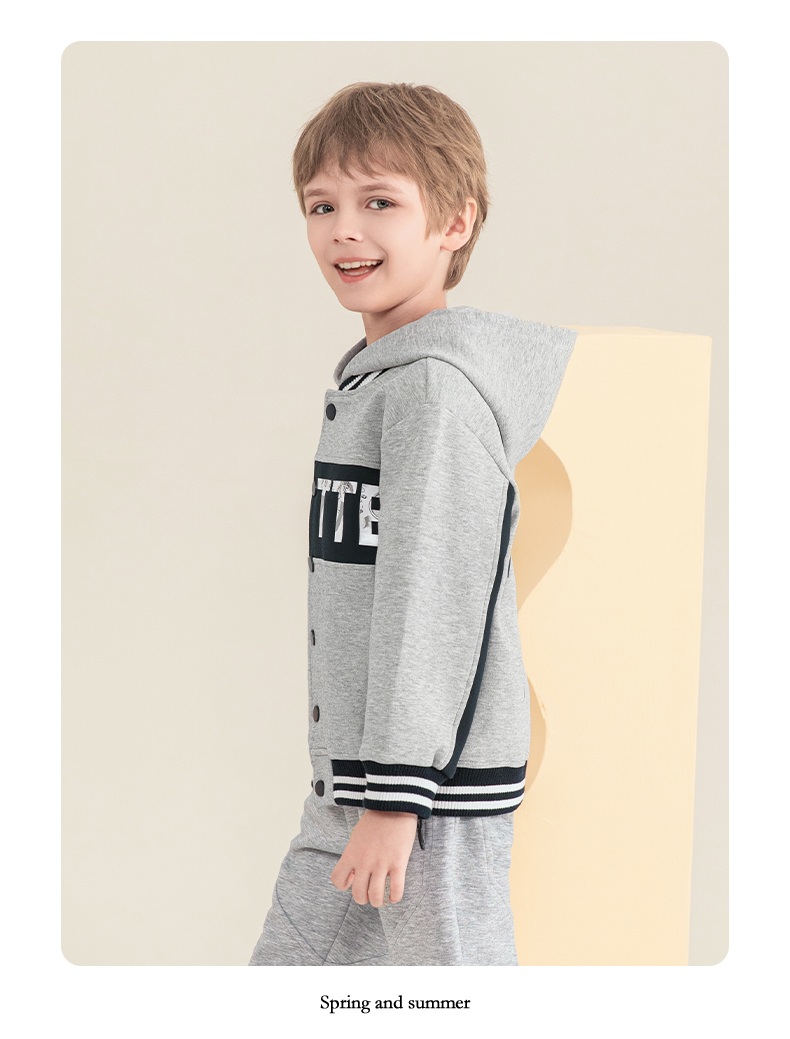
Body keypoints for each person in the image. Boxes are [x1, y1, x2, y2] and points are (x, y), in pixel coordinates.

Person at [248, 81, 576, 967]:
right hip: (354, 782)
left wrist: (397, 800)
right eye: (322, 205)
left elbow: (434, 598)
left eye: (379, 202)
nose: (343, 230)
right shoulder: (375, 379)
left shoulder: (433, 390)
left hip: (429, 796)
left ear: (454, 223)